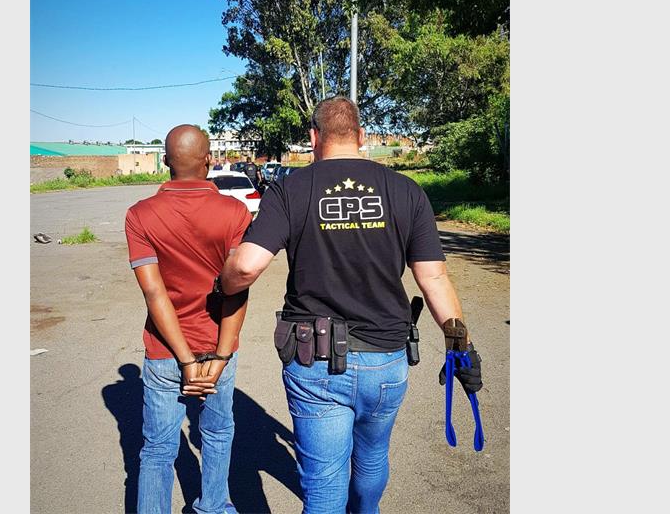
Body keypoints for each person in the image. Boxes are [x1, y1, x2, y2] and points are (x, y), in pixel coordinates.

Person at [217, 97, 483, 514]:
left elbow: (246, 267)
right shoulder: (406, 191)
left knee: (324, 483)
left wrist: (223, 283)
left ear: (314, 137)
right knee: (372, 458)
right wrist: (460, 347)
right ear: (361, 136)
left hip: (315, 363)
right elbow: (433, 279)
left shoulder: (291, 189)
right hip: (386, 358)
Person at [125, 124, 252, 514]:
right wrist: (221, 355)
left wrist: (184, 360)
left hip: (165, 351)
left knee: (158, 450)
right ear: (209, 160)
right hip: (217, 351)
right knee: (217, 435)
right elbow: (237, 288)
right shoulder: (235, 212)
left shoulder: (140, 215)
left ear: (165, 161)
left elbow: (154, 293)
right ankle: (213, 507)